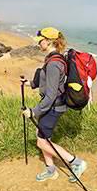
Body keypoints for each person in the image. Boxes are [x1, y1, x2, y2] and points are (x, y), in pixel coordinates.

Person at [21, 27, 87, 182]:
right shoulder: (53, 58)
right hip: (51, 106)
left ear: (49, 41)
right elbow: (50, 83)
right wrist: (30, 83)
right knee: (44, 138)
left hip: (53, 108)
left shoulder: (53, 64)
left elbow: (50, 95)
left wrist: (33, 111)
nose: (39, 44)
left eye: (41, 41)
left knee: (41, 142)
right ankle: (51, 169)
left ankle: (76, 162)